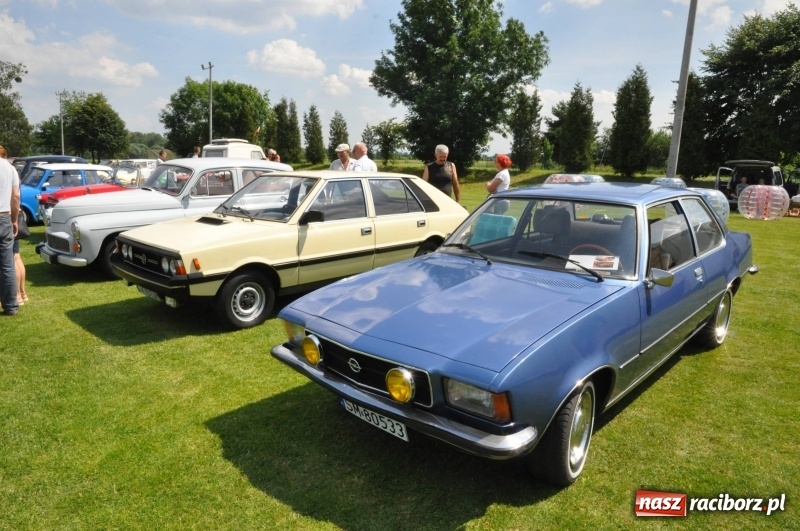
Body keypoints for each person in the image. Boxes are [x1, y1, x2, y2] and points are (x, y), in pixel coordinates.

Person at [0, 144, 20, 316]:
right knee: (7, 265)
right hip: (4, 216)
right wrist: (14, 220)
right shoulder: (9, 168)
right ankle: (11, 306)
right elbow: (15, 197)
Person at [14, 238, 27, 305]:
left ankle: (17, 295)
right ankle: (22, 294)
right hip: (13, 230)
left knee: (11, 259)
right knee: (16, 257)